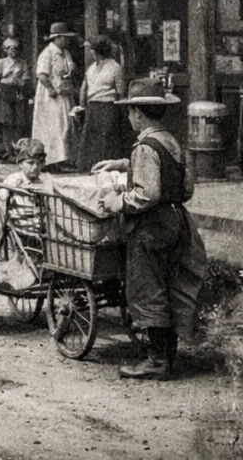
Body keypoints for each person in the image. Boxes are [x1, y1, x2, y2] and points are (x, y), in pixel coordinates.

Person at [93, 78, 209, 379]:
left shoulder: (144, 147)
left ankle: (156, 361)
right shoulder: (171, 141)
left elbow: (147, 194)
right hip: (176, 221)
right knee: (170, 287)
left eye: (131, 112)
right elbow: (185, 188)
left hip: (151, 226)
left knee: (148, 288)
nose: (130, 117)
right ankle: (168, 355)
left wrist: (117, 201)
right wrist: (120, 164)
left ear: (138, 114)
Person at [76, 36, 130, 173]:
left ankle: (104, 169)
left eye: (93, 51)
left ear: (98, 52)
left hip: (108, 107)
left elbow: (120, 91)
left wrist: (122, 111)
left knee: (106, 140)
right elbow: (84, 88)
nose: (91, 53)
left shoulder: (115, 67)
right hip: (92, 107)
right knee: (91, 140)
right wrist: (82, 106)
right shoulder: (91, 68)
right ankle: (90, 169)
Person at [34, 22, 80, 171]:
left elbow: (70, 69)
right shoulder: (47, 53)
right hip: (51, 95)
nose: (67, 41)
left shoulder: (65, 53)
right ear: (57, 38)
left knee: (66, 124)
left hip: (64, 92)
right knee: (54, 126)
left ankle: (65, 158)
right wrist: (50, 88)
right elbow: (42, 74)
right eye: (64, 38)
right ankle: (52, 161)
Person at [0, 37, 31, 159]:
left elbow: (26, 78)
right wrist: (0, 90)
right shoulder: (1, 63)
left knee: (21, 122)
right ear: (5, 50)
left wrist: (21, 83)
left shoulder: (22, 63)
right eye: (10, 48)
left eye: (16, 48)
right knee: (8, 122)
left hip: (18, 93)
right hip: (5, 94)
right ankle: (10, 151)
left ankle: (20, 149)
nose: (13, 51)